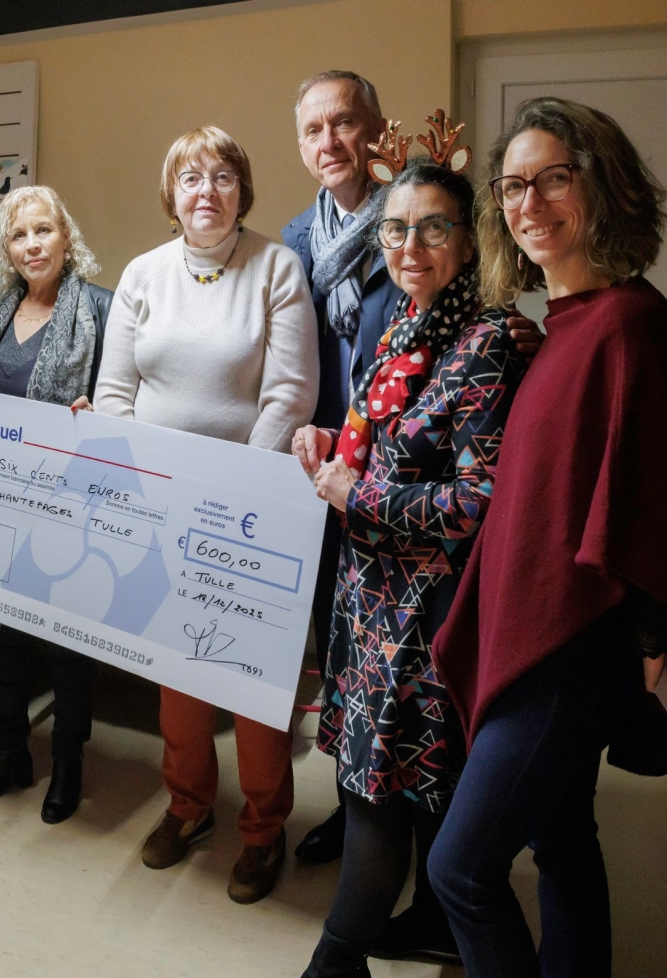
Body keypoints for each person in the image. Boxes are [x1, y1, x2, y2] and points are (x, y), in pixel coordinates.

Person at [430, 96, 667, 978]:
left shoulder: (629, 325)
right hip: (539, 636)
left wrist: (651, 648)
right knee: (563, 836)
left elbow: (646, 501)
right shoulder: (562, 325)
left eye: (553, 179)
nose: (529, 204)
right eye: (512, 186)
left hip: (572, 650)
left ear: (600, 185)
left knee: (459, 870)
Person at [283, 71, 543, 868]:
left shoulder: (489, 338)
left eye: (432, 230)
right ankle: (402, 887)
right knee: (380, 777)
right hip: (368, 581)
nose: (408, 248)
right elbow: (386, 421)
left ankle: (381, 915)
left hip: (423, 602)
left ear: (469, 239)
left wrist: (356, 490)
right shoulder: (400, 317)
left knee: (414, 776)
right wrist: (335, 439)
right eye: (395, 231)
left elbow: (476, 495)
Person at [95, 125, 318, 904]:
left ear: (241, 189)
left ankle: (262, 828)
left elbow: (289, 394)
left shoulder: (276, 268)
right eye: (191, 177)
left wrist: (231, 492)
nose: (206, 191)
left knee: (253, 688)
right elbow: (115, 392)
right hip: (160, 510)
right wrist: (143, 489)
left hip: (249, 511)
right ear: (172, 193)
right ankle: (188, 807)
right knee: (179, 681)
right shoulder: (143, 274)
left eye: (222, 176)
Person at [0, 185, 111, 824]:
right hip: (3, 500)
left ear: (66, 236)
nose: (32, 245)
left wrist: (99, 414)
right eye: (18, 236)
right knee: (7, 634)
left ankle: (68, 762)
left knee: (69, 641)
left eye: (43, 230)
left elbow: (121, 402)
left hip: (71, 502)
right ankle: (11, 754)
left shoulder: (99, 309)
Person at [282, 72, 403, 866]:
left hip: (401, 476)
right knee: (338, 650)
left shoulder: (414, 217)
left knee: (401, 659)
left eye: (345, 123)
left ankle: (412, 819)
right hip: (321, 474)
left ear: (377, 129)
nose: (329, 142)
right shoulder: (294, 240)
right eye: (313, 129)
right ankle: (352, 806)